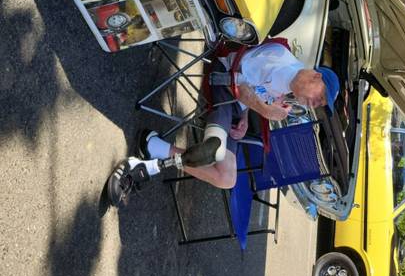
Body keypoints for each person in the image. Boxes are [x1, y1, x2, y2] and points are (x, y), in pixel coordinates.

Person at [106, 40, 340, 207]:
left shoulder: (289, 87)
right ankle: (141, 166)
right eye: (320, 97)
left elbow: (253, 92)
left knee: (227, 178)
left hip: (236, 105)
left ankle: (154, 148)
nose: (315, 104)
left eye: (319, 104)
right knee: (213, 152)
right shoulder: (279, 59)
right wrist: (265, 111)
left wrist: (247, 117)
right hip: (223, 81)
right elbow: (235, 81)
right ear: (316, 76)